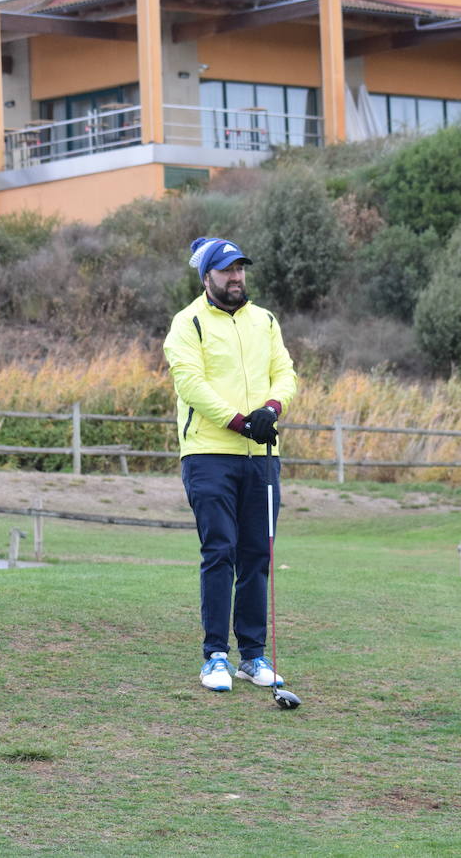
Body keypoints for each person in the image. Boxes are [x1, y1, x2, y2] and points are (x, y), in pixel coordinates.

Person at [163, 237, 298, 692]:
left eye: (240, 268)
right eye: (226, 270)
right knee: (219, 550)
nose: (236, 277)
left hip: (261, 455)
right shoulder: (188, 323)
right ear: (207, 277)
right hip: (208, 453)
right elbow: (191, 384)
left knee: (257, 554)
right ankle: (215, 656)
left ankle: (253, 656)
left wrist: (273, 409)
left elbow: (286, 373)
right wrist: (241, 421)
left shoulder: (266, 320)